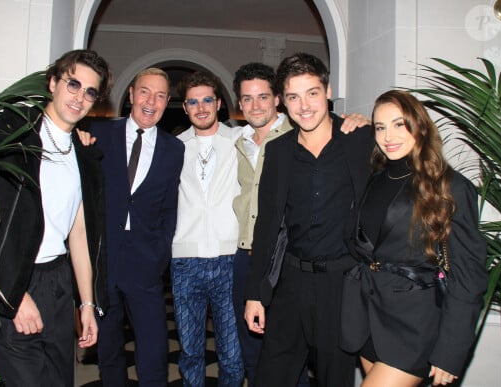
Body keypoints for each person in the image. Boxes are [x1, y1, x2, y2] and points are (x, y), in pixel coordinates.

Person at [0, 49, 112, 386]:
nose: (79, 97)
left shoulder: (82, 154)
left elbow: (80, 234)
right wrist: (10, 295)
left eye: (89, 91)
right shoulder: (11, 133)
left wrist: (86, 304)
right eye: (73, 84)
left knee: (59, 380)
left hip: (58, 281)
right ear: (53, 83)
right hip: (13, 279)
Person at [231, 62, 369, 386]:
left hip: (342, 284)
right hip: (290, 284)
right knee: (271, 376)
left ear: (329, 92)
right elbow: (266, 227)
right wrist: (255, 294)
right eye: (293, 97)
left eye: (312, 93)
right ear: (283, 100)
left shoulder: (359, 139)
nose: (304, 106)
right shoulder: (277, 151)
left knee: (334, 379)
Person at [340, 90, 487, 387]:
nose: (388, 136)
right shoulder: (377, 178)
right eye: (380, 127)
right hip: (369, 317)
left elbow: (469, 276)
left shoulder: (450, 186)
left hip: (414, 325)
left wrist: (451, 350)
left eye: (399, 124)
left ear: (418, 125)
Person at [90, 68, 184, 387]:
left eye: (160, 96)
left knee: (155, 347)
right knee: (109, 345)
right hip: (104, 260)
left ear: (167, 102)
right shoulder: (98, 134)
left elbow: (170, 206)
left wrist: (161, 252)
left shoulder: (174, 149)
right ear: (131, 95)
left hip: (147, 260)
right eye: (145, 92)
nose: (151, 101)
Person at [171, 71, 244, 386]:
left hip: (230, 258)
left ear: (219, 103)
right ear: (185, 108)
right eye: (192, 102)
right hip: (185, 261)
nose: (201, 107)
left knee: (232, 353)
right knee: (189, 352)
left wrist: (347, 119)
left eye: (207, 100)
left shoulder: (240, 139)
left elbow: (286, 123)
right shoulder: (172, 148)